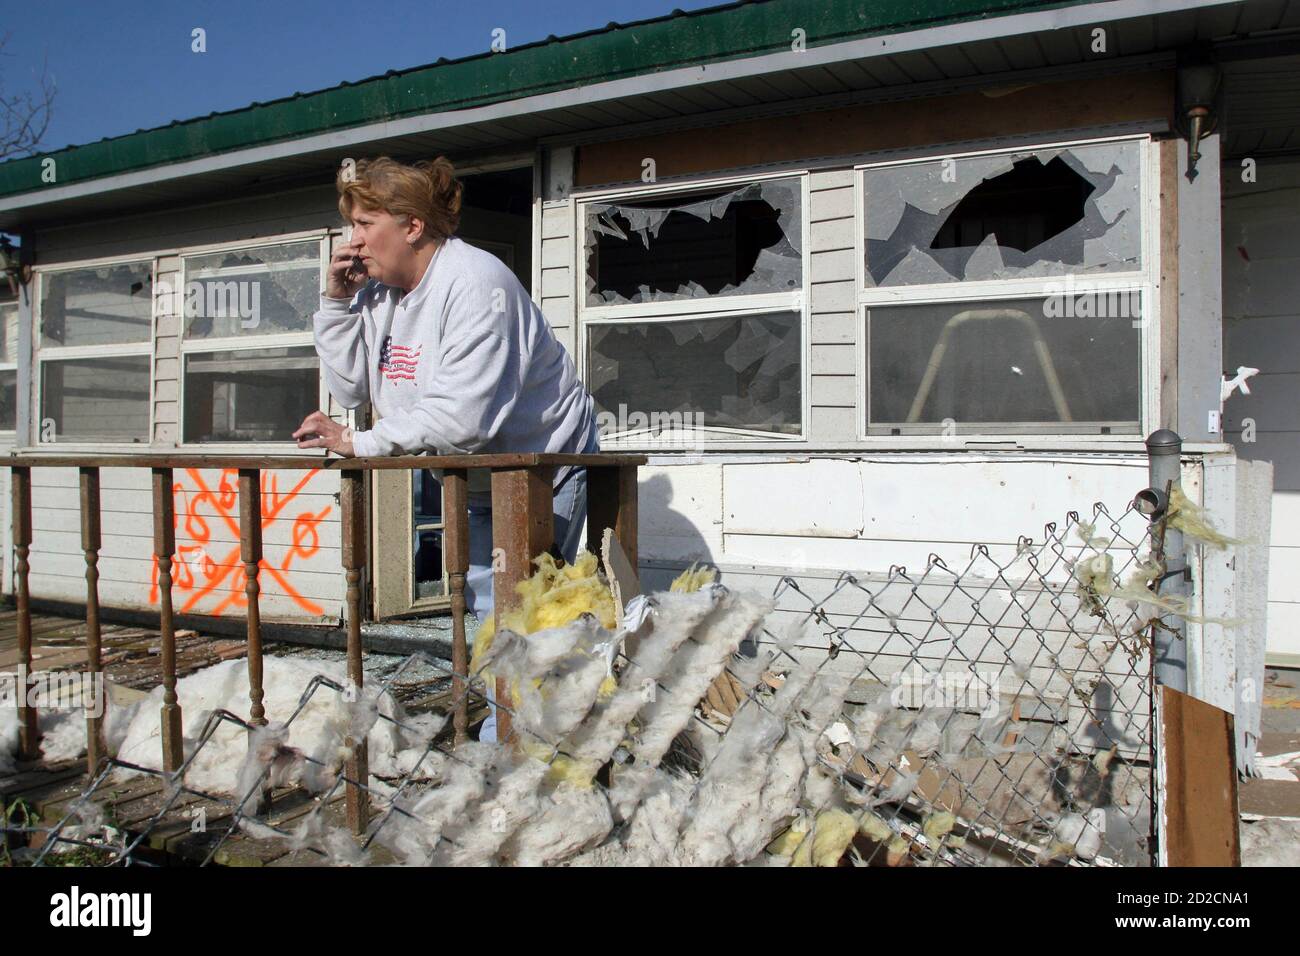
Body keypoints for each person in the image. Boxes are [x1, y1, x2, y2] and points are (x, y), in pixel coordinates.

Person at [294, 156, 600, 742]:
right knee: (495, 604)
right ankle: (524, 739)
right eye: (350, 225)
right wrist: (336, 303)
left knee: (526, 609)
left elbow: (464, 419)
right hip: (480, 468)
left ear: (412, 226)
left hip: (542, 462)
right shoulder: (379, 293)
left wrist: (359, 442)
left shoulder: (476, 283)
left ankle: (517, 753)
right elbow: (353, 385)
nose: (351, 241)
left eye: (364, 223)